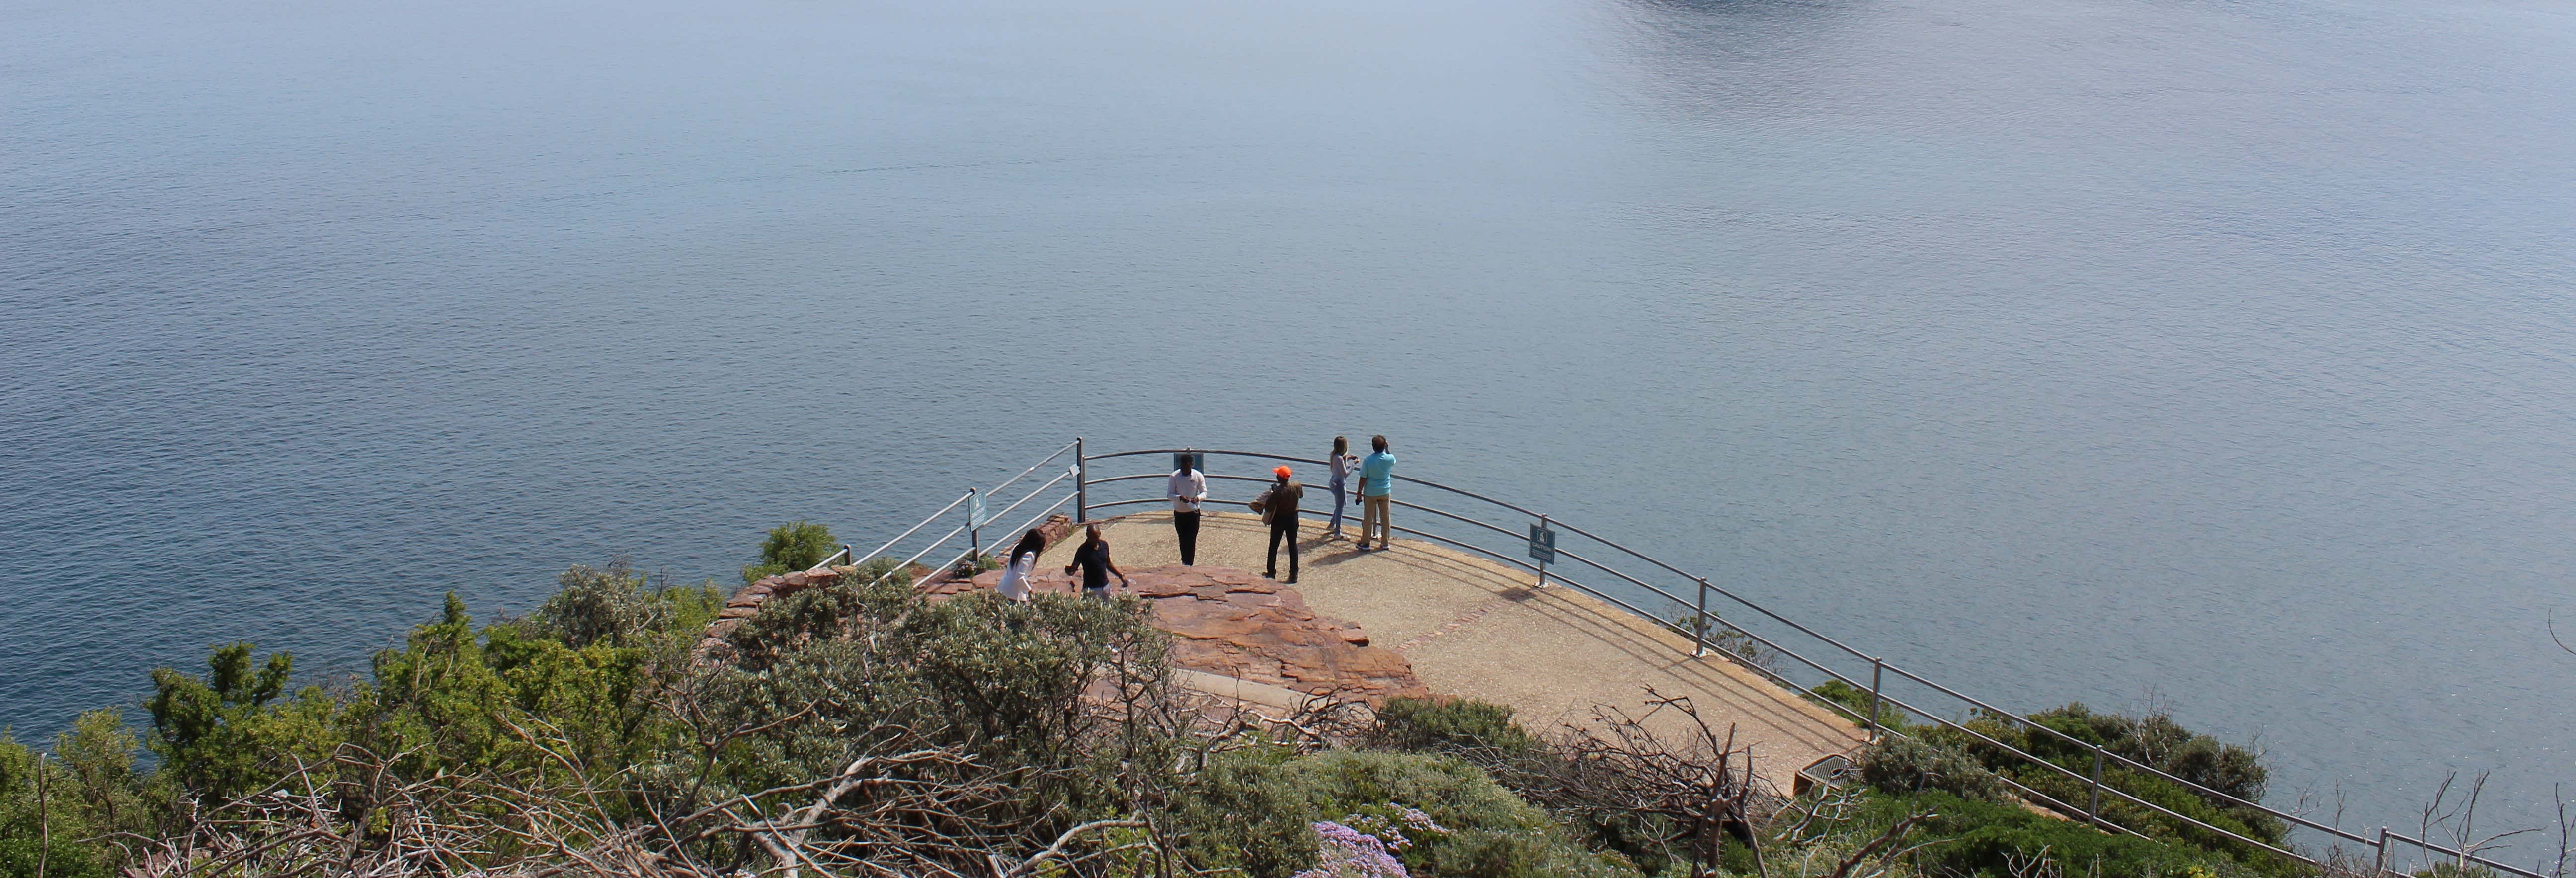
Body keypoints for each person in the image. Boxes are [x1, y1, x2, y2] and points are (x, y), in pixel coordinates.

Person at [1252, 465, 1304, 583]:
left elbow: (1269, 507)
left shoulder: (1278, 493)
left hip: (1279, 520)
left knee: (1274, 546)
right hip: (1293, 518)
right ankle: (1294, 574)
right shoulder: (1297, 486)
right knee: (1293, 546)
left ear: (1279, 478)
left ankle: (1271, 573)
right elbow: (1301, 496)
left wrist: (1274, 492)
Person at [1062, 523, 1130, 600]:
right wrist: (1070, 571)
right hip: (1091, 589)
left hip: (1105, 586)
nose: (1094, 540)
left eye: (1096, 537)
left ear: (1100, 534)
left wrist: (1120, 576)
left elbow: (1108, 563)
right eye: (1091, 537)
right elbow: (1073, 569)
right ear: (1087, 535)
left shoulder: (1104, 545)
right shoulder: (1082, 550)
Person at [1356, 435, 1396, 551]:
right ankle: (1385, 542)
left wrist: (1359, 492)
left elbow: (1363, 477)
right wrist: (1387, 449)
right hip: (1385, 492)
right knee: (1386, 518)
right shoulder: (1389, 459)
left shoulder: (1368, 460)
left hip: (1371, 493)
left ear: (1373, 447)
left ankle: (1365, 542)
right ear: (1384, 446)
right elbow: (1393, 459)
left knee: (1368, 518)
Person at [1166, 456, 1207, 566]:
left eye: (1186, 465)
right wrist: (1180, 497)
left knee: (1192, 539)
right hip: (1180, 513)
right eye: (1183, 465)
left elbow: (1204, 492)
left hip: (1193, 513)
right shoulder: (1174, 477)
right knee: (1182, 538)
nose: (1184, 468)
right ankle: (1185, 561)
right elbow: (1170, 495)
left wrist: (1197, 498)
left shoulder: (1198, 475)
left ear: (1191, 464)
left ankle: (1189, 563)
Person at [995, 529, 1046, 602]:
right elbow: (1019, 578)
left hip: (1004, 588)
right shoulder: (1029, 556)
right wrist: (1030, 590)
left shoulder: (1017, 547)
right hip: (1015, 594)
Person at [1325, 436, 1359, 540]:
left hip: (1334, 482)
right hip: (1340, 485)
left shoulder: (1334, 455)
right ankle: (1337, 532)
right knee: (1340, 507)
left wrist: (1348, 458)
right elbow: (1345, 474)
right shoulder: (1339, 459)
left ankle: (1332, 524)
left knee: (1342, 504)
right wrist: (1354, 464)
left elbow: (1341, 465)